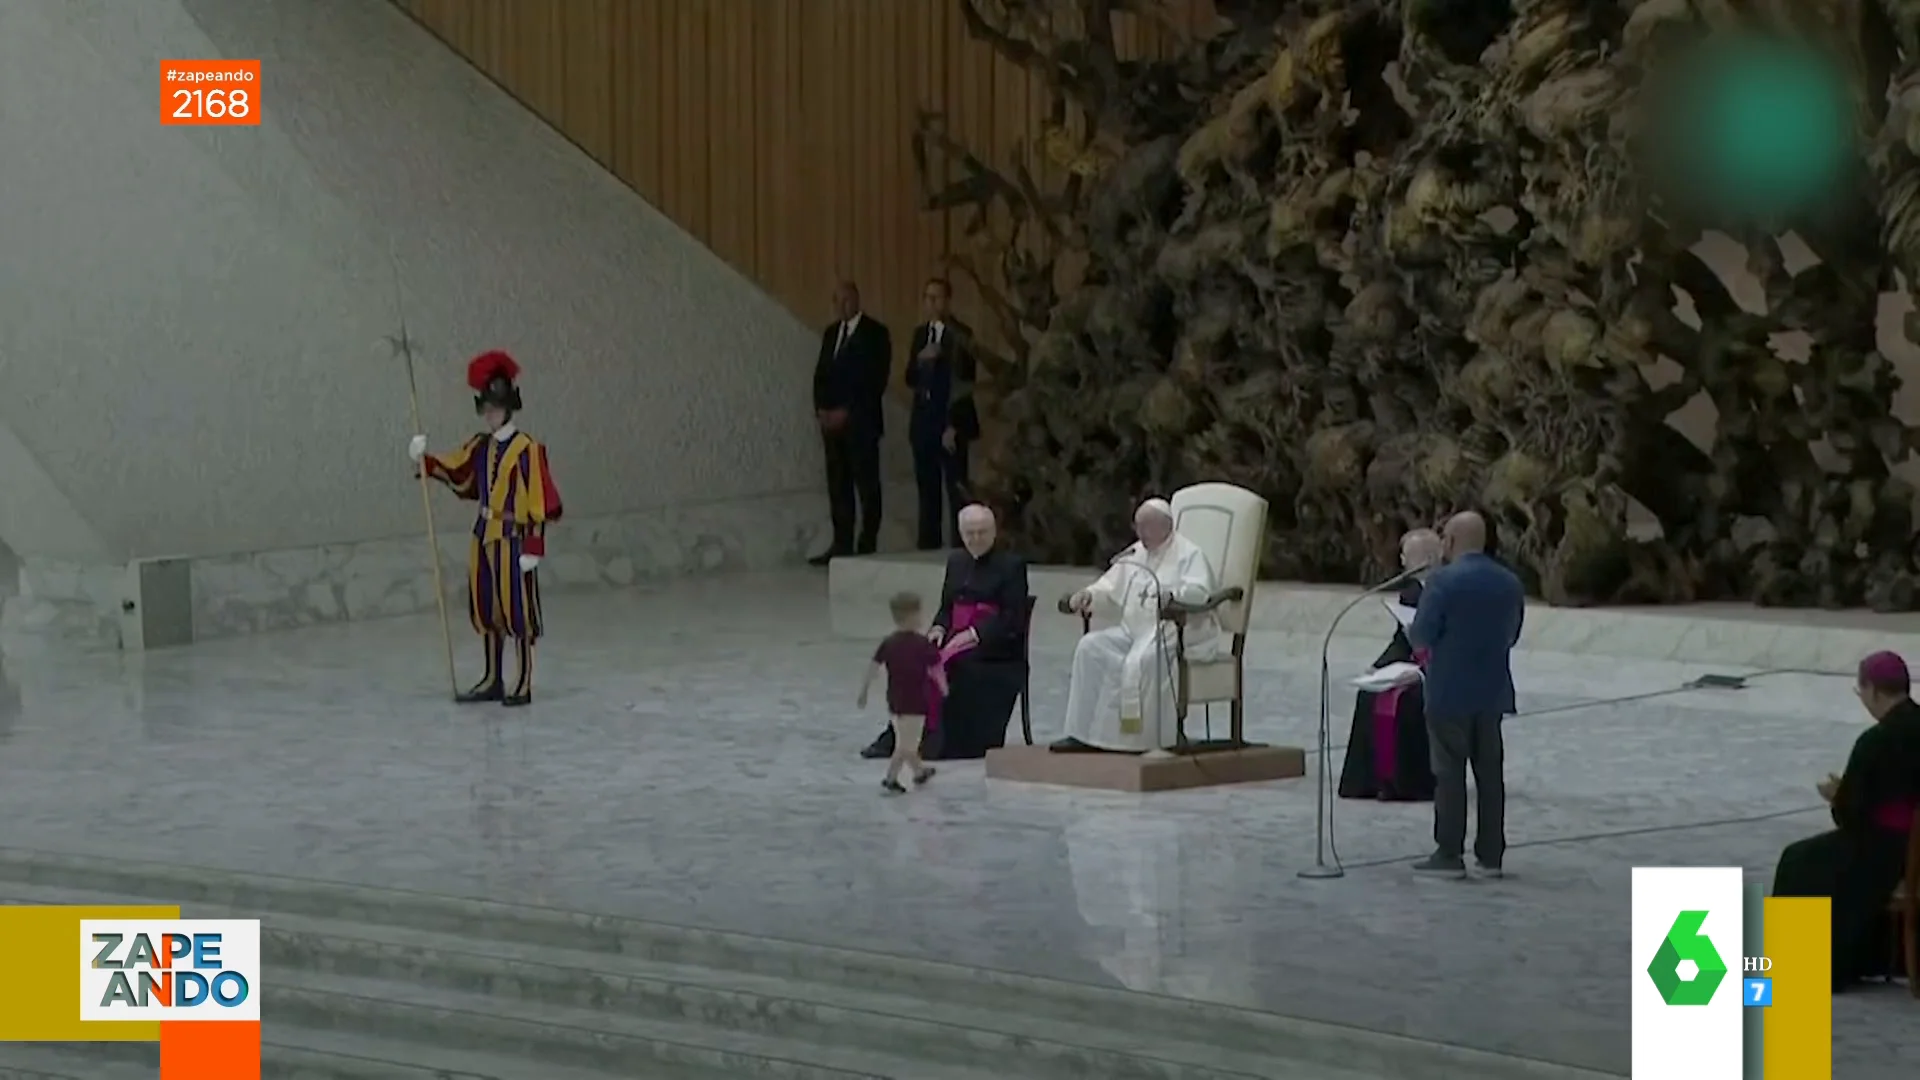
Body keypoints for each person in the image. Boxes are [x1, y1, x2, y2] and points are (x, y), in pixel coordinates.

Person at [408, 350, 564, 707]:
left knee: (518, 612)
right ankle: (493, 677)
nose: (490, 414)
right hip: (484, 535)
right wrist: (425, 460)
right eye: (487, 408)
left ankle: (522, 682)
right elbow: (459, 471)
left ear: (508, 407)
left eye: (496, 407)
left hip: (514, 538)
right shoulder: (481, 446)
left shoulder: (528, 450)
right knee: (488, 607)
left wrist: (534, 548)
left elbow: (541, 499)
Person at [1772, 650, 1920, 991]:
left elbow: (1850, 814)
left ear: (1872, 691)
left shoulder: (1875, 741)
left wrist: (1837, 794)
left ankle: (1805, 964)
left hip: (1885, 848)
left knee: (1798, 860)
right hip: (1914, 847)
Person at [860, 504, 1031, 761]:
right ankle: (901, 737)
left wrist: (974, 634)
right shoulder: (957, 562)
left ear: (994, 531)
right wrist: (938, 629)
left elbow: (1012, 617)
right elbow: (946, 607)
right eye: (969, 533)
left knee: (958, 667)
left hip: (995, 650)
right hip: (955, 640)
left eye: (982, 532)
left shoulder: (1012, 566)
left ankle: (942, 741)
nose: (976, 539)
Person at [1053, 498, 1221, 754]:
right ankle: (1083, 733)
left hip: (1173, 631)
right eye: (1138, 526)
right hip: (1132, 631)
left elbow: (1200, 591)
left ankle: (1150, 740)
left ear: (1166, 526)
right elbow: (1109, 587)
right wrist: (1088, 595)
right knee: (1090, 647)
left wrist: (1174, 596)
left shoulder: (1189, 554)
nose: (1140, 533)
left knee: (1147, 660)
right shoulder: (1135, 553)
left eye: (1146, 527)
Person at [1408, 511, 1524, 877]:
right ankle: (1491, 855)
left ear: (1451, 541)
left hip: (1448, 691)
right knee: (1490, 775)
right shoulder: (1509, 582)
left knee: (1449, 774)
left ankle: (1449, 853)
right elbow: (1513, 634)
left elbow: (1422, 634)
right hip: (1492, 692)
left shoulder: (1443, 582)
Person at [1339, 528, 1443, 801]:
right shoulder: (1410, 592)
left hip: (1444, 668)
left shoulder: (1450, 588)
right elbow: (1402, 638)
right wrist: (1379, 667)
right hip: (1417, 663)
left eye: (1407, 556)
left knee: (1408, 702)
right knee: (1372, 693)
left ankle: (1408, 784)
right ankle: (1371, 780)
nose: (1402, 562)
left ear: (1428, 559)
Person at [809, 281, 892, 565]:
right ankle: (841, 543)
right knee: (838, 485)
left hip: (861, 425)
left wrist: (847, 411)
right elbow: (821, 375)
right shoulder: (832, 333)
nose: (841, 306)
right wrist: (822, 410)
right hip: (832, 427)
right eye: (836, 301)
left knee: (867, 485)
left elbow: (875, 381)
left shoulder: (876, 334)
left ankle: (867, 543)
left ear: (856, 299)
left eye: (846, 300)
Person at [906, 278, 978, 549]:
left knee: (956, 489)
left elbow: (965, 382)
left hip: (950, 422)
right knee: (927, 489)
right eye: (928, 297)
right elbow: (910, 378)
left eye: (937, 297)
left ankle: (962, 549)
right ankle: (928, 546)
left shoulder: (961, 334)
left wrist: (953, 424)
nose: (932, 303)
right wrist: (921, 359)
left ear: (948, 301)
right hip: (924, 420)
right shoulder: (919, 335)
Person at [858, 592, 943, 794]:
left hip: (895, 700)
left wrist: (864, 691)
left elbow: (873, 667)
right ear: (914, 616)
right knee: (907, 745)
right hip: (916, 701)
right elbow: (936, 667)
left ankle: (920, 771)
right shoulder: (922, 644)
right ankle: (891, 778)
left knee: (906, 738)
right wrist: (943, 686)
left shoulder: (889, 643)